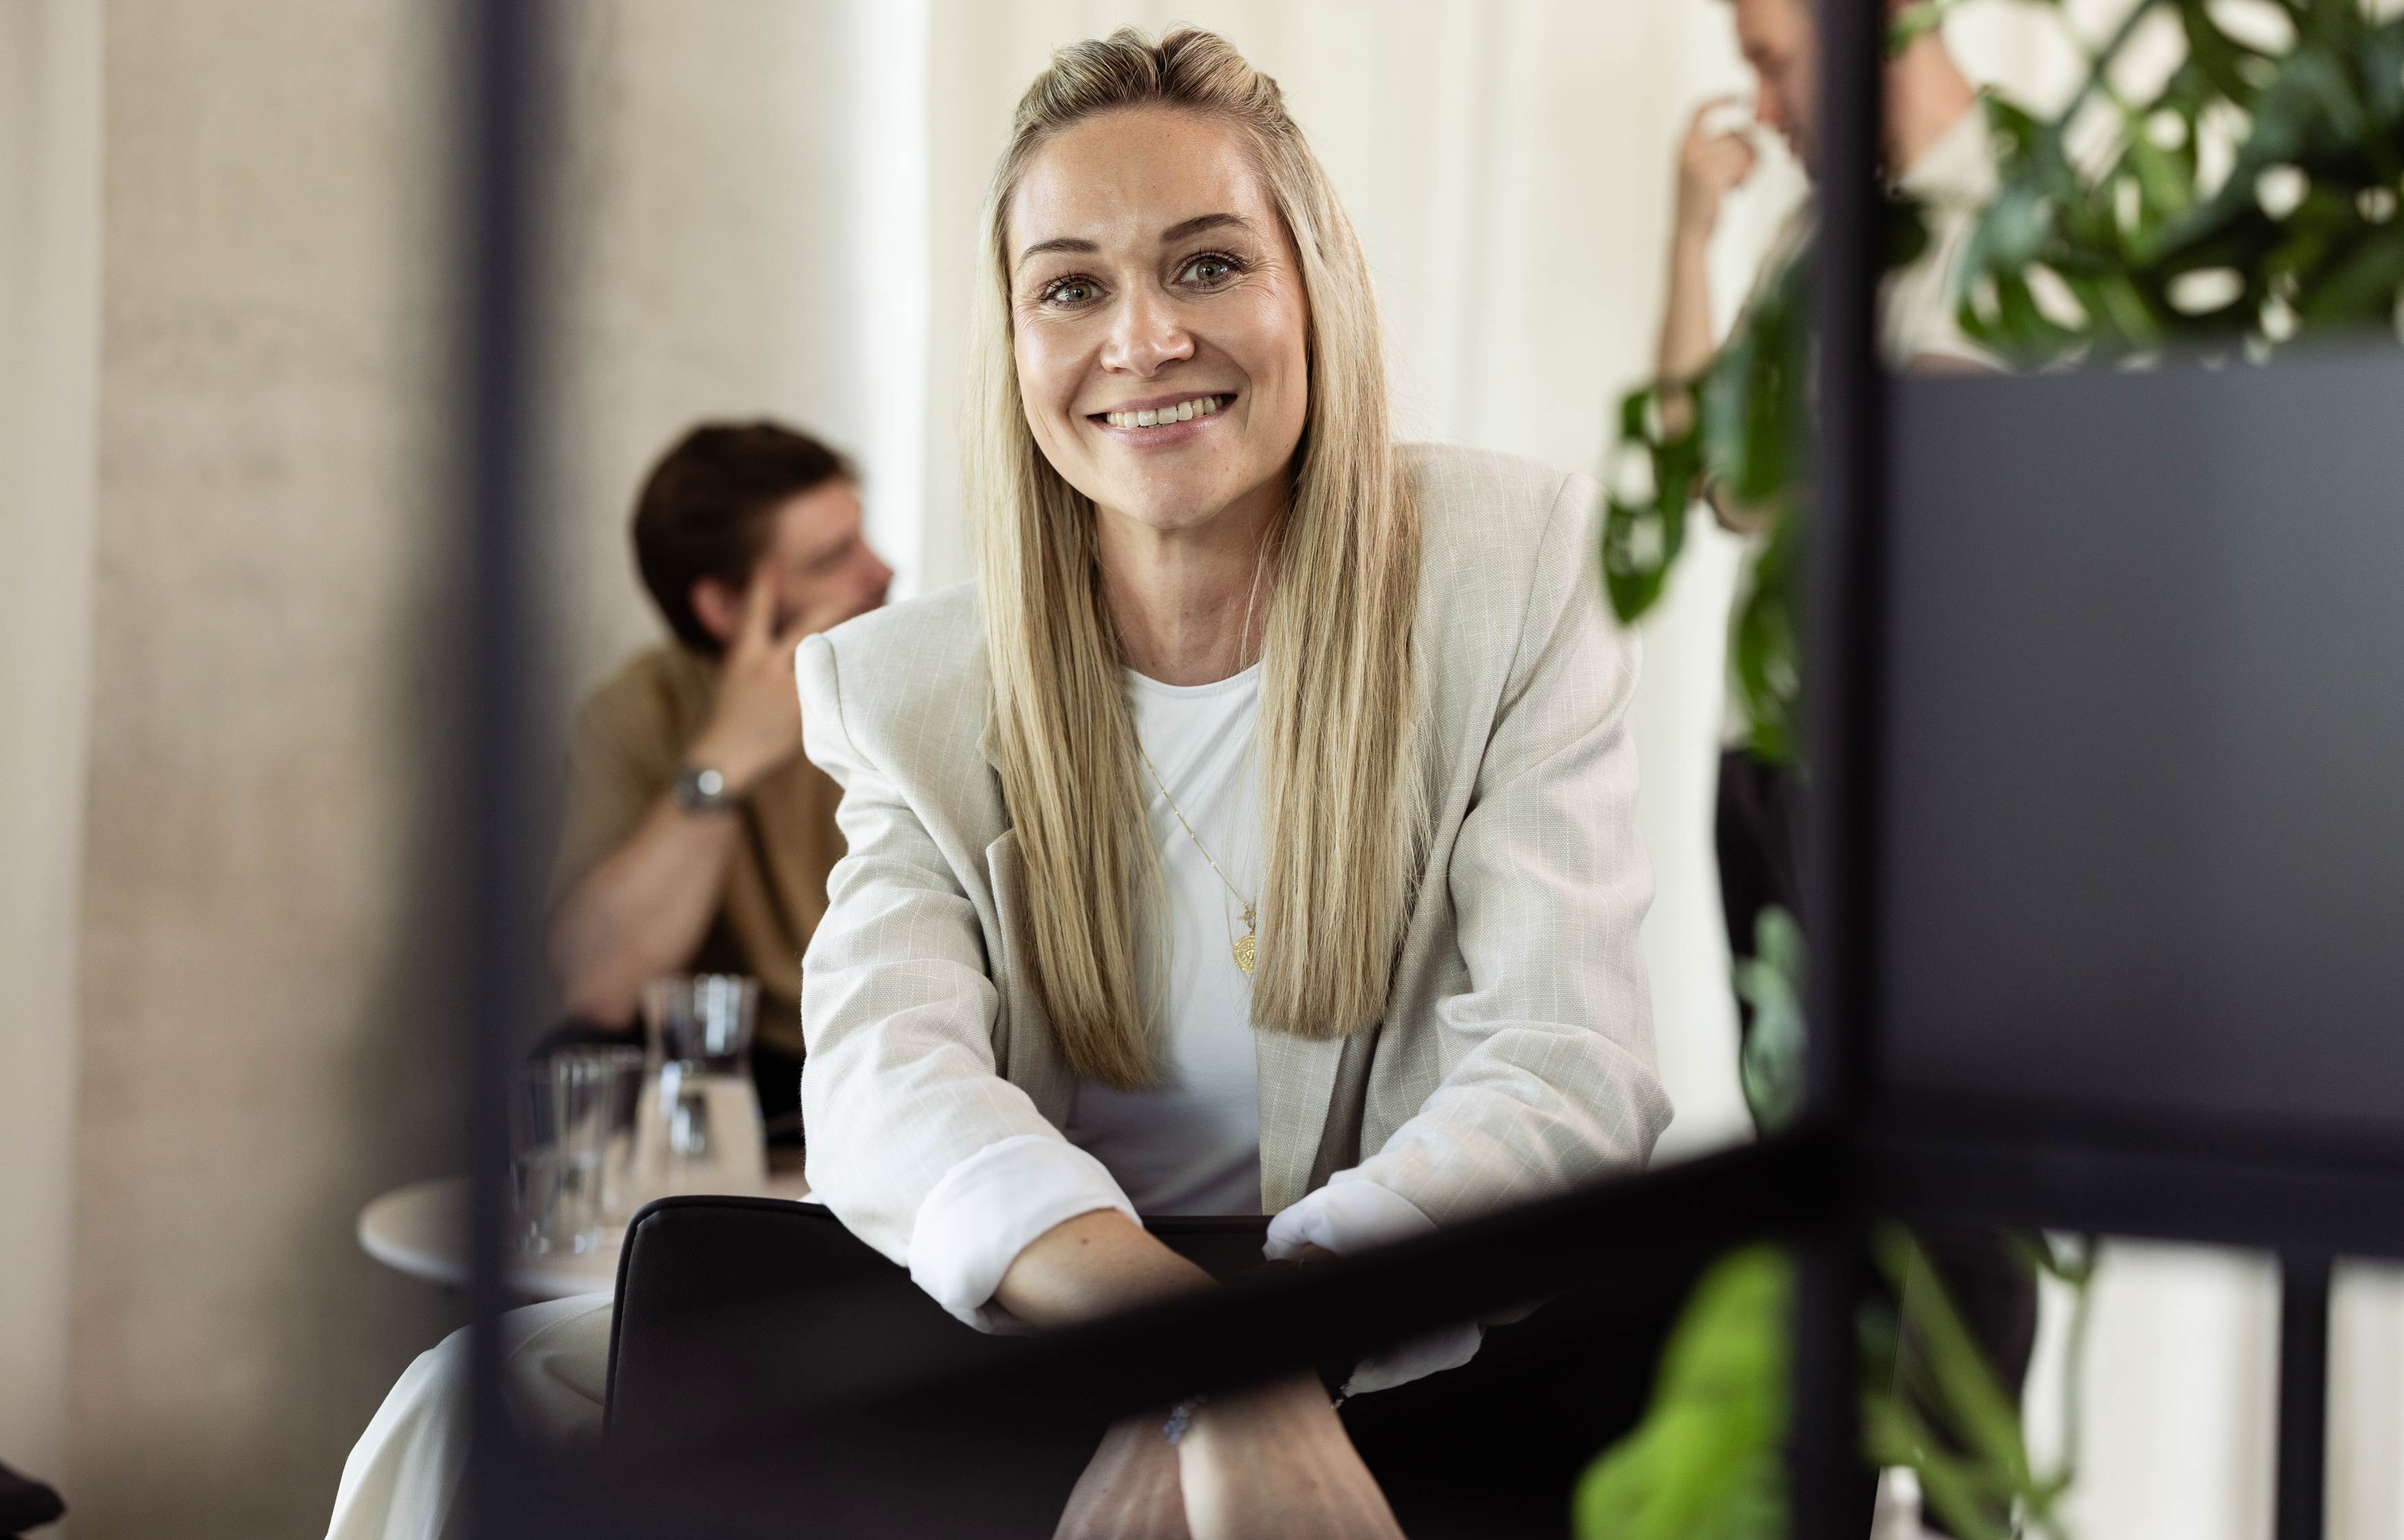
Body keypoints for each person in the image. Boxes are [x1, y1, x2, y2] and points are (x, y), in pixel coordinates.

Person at [328, 27, 1664, 1540]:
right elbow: (885, 1083)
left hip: (1418, 1367)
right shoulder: (903, 685)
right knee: (465, 1397)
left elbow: (1566, 1059)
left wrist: (1266, 1348)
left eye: (1208, 264)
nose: (1141, 338)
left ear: (1314, 288)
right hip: (1031, 1342)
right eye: (1073, 285)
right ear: (1017, 340)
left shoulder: (1509, 568)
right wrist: (1211, 1365)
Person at [1657, 3, 2034, 1533]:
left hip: (1939, 789)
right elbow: (1719, 483)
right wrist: (1691, 234)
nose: (1753, 91)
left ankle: (1960, 1518)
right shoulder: (1824, 232)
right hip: (1773, 760)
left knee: (1953, 1210)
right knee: (1799, 1190)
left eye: (1769, 51)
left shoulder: (2025, 209)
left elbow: (1925, 485)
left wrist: (1783, 445)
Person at [541, 421, 893, 1135]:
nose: (880, 571)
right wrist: (725, 759)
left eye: (861, 539)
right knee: (566, 1059)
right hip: (753, 1070)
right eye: (834, 559)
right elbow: (599, 987)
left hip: (903, 1044)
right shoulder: (643, 709)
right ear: (727, 610)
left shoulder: (902, 671)